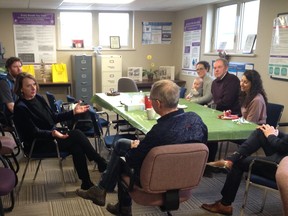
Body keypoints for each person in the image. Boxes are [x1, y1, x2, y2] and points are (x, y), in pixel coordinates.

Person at [75, 79, 208, 216]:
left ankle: (112, 199)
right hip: (185, 177)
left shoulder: (158, 132)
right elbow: (199, 145)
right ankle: (115, 202)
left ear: (157, 103)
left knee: (120, 162)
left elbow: (132, 160)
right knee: (122, 144)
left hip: (155, 179)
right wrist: (143, 146)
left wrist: (138, 147)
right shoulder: (195, 119)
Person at [13, 72, 107, 190]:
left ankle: (86, 182)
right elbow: (33, 132)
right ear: (21, 89)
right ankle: (100, 161)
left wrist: (73, 112)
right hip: (37, 143)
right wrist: (52, 133)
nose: (33, 88)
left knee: (77, 147)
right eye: (28, 86)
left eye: (34, 84)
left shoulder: (38, 98)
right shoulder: (21, 107)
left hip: (51, 136)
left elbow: (53, 117)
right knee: (77, 134)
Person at [202, 124, 288, 215]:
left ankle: (225, 205)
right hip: (283, 155)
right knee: (260, 132)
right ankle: (230, 159)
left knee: (238, 163)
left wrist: (271, 135)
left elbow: (283, 147)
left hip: (283, 167)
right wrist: (276, 133)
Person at [207, 58, 241, 163]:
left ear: (226, 68)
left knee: (211, 130)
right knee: (205, 127)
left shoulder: (232, 80)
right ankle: (206, 160)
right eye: (215, 68)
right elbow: (216, 100)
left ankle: (210, 162)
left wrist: (210, 106)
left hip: (232, 115)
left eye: (219, 67)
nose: (216, 70)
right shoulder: (214, 82)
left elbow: (227, 102)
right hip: (219, 113)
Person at [0, 57, 22, 122]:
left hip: (19, 110)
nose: (19, 69)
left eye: (20, 66)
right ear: (9, 69)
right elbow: (11, 106)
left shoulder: (18, 80)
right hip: (9, 116)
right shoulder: (4, 83)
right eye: (15, 67)